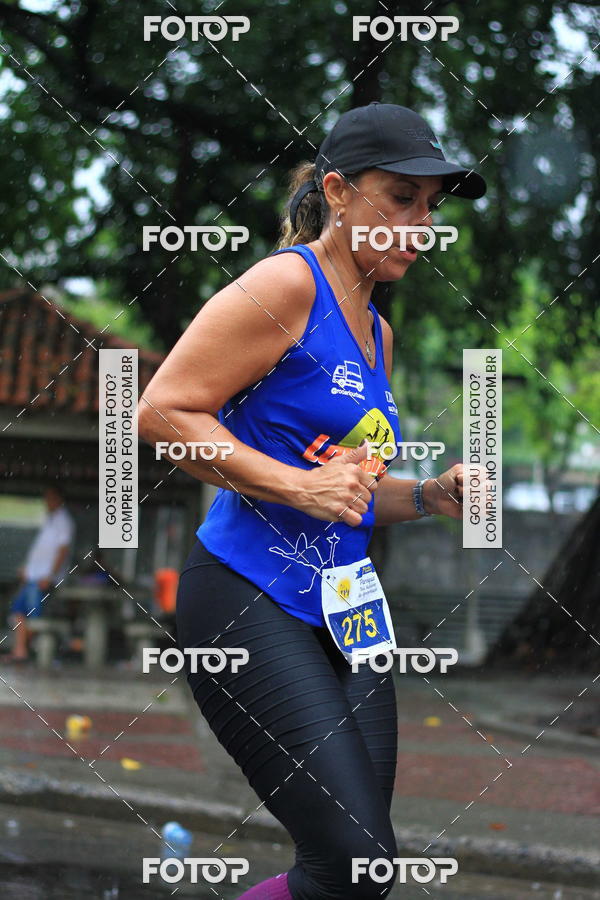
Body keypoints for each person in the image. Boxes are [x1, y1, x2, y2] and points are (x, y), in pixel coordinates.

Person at [138, 102, 486, 899]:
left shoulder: (379, 333)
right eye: (399, 198)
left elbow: (352, 495)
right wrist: (298, 484)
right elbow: (159, 412)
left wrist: (431, 496)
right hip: (246, 597)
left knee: (364, 873)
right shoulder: (285, 284)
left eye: (429, 208)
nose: (419, 224)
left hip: (347, 610)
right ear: (337, 190)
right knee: (350, 861)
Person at [8, 483, 75, 662]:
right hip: (32, 576)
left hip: (43, 578)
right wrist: (27, 569)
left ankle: (29, 650)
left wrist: (50, 576)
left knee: (34, 614)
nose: (47, 501)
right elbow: (41, 550)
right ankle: (20, 651)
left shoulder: (64, 521)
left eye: (50, 497)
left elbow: (62, 550)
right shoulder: (49, 520)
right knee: (18, 611)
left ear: (59, 499)